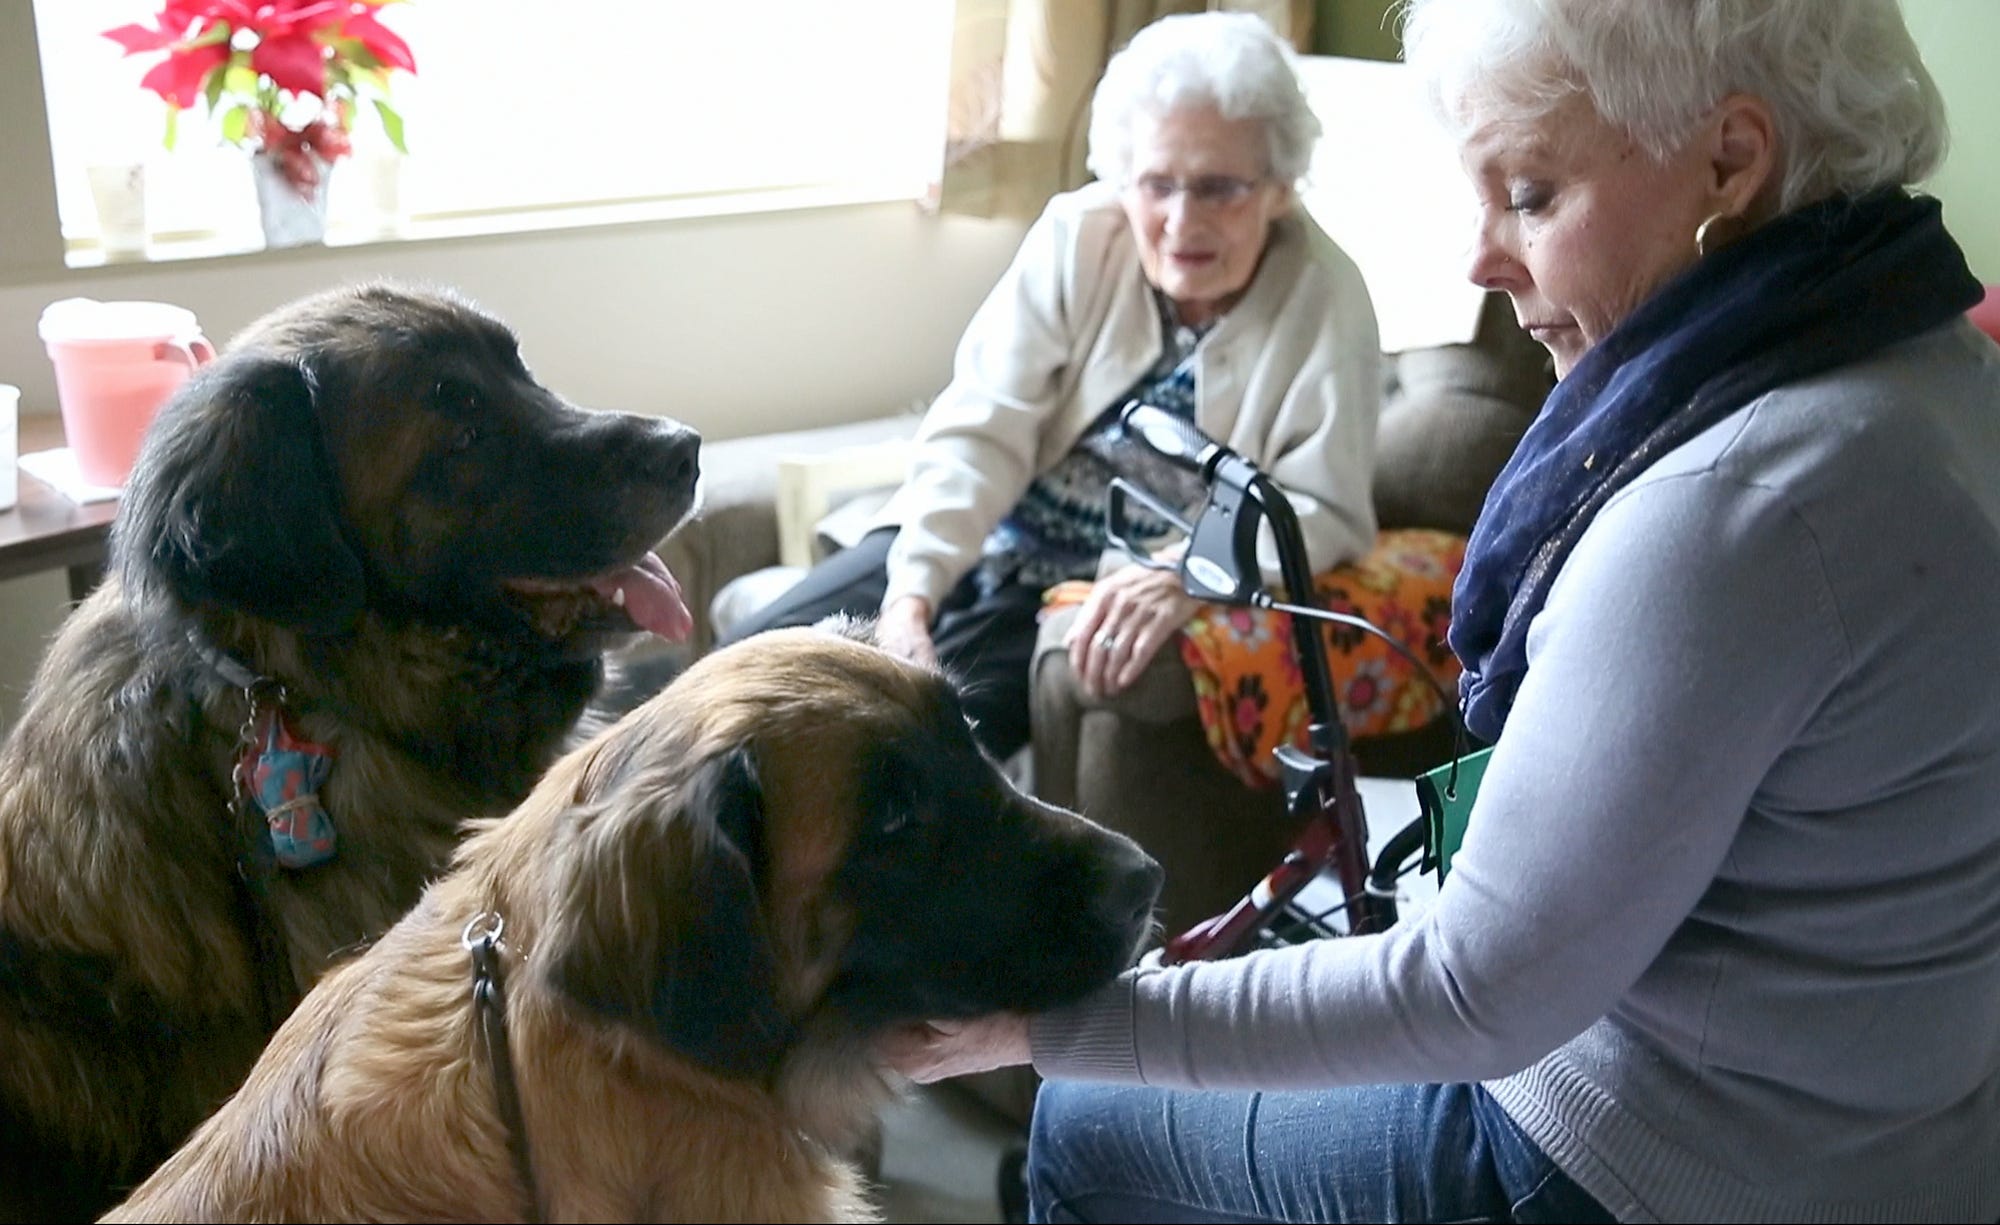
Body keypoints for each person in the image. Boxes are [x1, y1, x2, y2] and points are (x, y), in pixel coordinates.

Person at [883, 0, 2000, 1221]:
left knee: (1090, 1117)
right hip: (1899, 1123)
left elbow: (1472, 993)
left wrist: (1049, 1026)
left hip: (1656, 1161)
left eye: (1527, 194)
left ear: (1730, 161)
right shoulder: (1939, 372)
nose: (1479, 259)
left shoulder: (1730, 502)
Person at [716, 10, 1382, 761]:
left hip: (1072, 592)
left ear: (1281, 187)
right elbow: (980, 425)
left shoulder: (1327, 301)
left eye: (1218, 187)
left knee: (906, 750)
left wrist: (1184, 572)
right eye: (1157, 183)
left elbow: (1323, 508)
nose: (1179, 219)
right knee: (736, 672)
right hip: (967, 533)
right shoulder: (1078, 235)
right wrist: (910, 599)